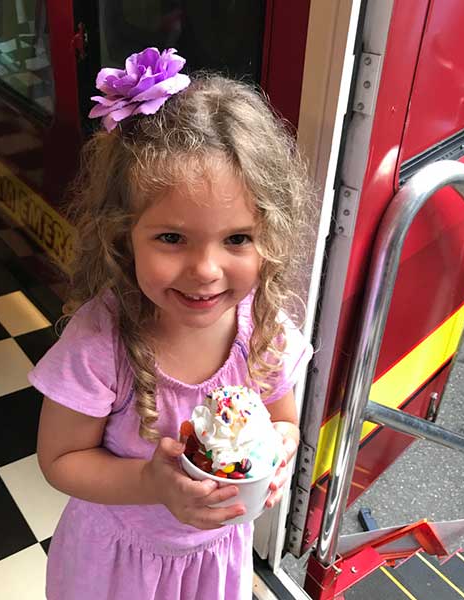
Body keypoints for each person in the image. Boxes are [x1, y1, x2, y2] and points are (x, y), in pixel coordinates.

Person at [31, 48, 315, 600]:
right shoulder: (99, 342)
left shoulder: (265, 328)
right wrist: (150, 484)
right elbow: (60, 460)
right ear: (123, 236)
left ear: (268, 236)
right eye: (171, 238)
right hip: (113, 563)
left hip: (213, 562)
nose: (206, 270)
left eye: (237, 238)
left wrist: (278, 453)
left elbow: (285, 421)